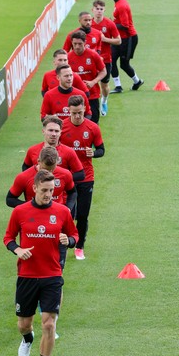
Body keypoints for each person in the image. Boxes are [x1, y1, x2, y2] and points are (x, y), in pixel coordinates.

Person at [3, 169, 79, 356]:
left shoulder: (62, 212)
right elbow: (8, 238)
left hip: (52, 275)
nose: (48, 194)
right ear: (34, 188)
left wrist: (69, 241)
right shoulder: (20, 212)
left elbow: (74, 234)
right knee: (23, 325)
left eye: (51, 190)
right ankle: (28, 338)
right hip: (27, 276)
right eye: (44, 190)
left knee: (48, 324)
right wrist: (17, 249)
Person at [61, 95, 105, 260]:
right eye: (74, 113)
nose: (78, 116)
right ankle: (66, 242)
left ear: (85, 110)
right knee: (67, 213)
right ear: (69, 111)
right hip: (67, 178)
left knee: (83, 214)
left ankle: (80, 247)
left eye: (80, 113)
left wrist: (93, 153)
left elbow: (102, 150)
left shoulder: (93, 128)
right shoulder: (62, 127)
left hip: (86, 177)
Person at [6, 146, 77, 213]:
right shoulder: (24, 177)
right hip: (33, 217)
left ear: (57, 162)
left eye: (52, 169)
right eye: (45, 169)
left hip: (57, 216)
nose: (49, 172)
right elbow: (10, 199)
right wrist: (31, 206)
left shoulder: (65, 174)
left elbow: (72, 192)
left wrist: (68, 207)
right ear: (38, 161)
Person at [22, 115, 85, 184]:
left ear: (60, 133)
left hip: (61, 193)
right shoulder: (32, 150)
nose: (54, 134)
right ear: (43, 131)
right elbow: (25, 168)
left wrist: (61, 178)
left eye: (56, 131)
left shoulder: (69, 151)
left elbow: (81, 174)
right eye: (50, 130)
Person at [109, 0, 144, 93]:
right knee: (110, 60)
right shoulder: (118, 3)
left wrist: (111, 24)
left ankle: (137, 81)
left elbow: (125, 25)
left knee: (124, 64)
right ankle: (118, 86)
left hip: (128, 39)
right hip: (119, 39)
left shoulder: (122, 6)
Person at [67, 30, 107, 124]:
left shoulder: (93, 55)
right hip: (73, 97)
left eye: (80, 44)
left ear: (85, 42)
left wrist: (93, 82)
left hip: (92, 94)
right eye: (74, 44)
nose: (77, 47)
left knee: (93, 123)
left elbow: (103, 71)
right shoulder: (68, 57)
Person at [91, 0, 121, 116]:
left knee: (104, 85)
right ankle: (91, 106)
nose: (99, 11)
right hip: (91, 60)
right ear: (92, 10)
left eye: (101, 9)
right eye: (97, 9)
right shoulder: (89, 24)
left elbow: (118, 40)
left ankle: (104, 100)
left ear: (104, 10)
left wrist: (105, 39)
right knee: (91, 84)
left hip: (105, 59)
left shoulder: (109, 24)